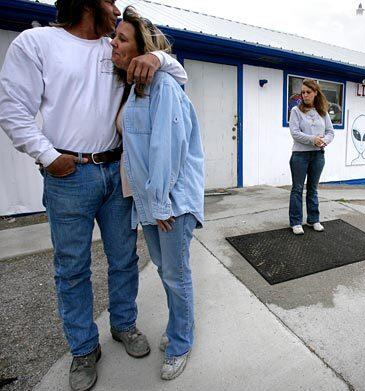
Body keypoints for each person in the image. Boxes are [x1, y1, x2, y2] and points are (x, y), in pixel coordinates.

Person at [0, 0, 188, 389]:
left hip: (118, 172)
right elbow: (12, 110)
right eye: (109, 1)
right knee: (72, 269)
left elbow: (177, 73)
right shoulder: (37, 43)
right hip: (69, 176)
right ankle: (84, 348)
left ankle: (123, 325)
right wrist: (49, 157)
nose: (116, 9)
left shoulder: (113, 47)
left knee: (123, 258)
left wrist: (155, 57)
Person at [110, 6, 204, 380]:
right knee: (166, 271)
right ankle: (180, 328)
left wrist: (162, 203)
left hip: (169, 201)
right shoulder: (134, 89)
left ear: (141, 48)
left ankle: (181, 340)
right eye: (114, 36)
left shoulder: (162, 84)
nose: (113, 43)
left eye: (121, 38)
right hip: (147, 200)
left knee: (175, 274)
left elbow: (167, 147)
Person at [288, 79, 335, 235]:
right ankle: (295, 222)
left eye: (308, 92)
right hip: (300, 156)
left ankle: (313, 219)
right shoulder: (296, 110)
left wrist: (323, 141)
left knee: (313, 189)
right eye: (303, 92)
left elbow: (330, 132)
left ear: (315, 93)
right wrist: (313, 139)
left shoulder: (323, 112)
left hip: (318, 155)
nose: (305, 95)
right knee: (297, 189)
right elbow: (295, 133)